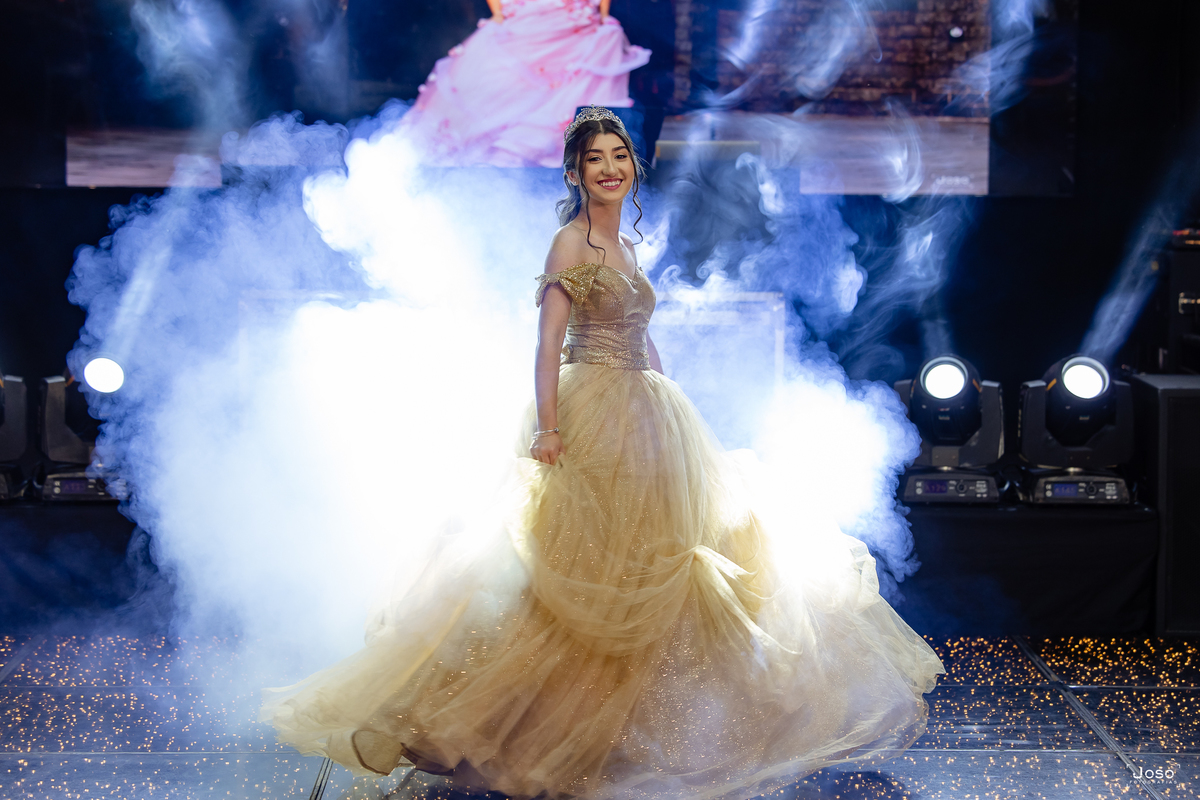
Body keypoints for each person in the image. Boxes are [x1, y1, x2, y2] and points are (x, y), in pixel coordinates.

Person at [262, 107, 945, 800]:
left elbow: (638, 332)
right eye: (596, 159)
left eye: (620, 156)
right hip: (590, 407)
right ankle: (534, 732)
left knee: (658, 559)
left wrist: (667, 397)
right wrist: (548, 428)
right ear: (575, 172)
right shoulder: (571, 243)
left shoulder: (625, 246)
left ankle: (635, 729)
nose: (611, 168)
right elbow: (547, 344)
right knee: (581, 566)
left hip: (644, 409)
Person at [395, 0, 649, 167]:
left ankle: (541, 161)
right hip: (530, 17)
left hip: (572, 20)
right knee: (498, 80)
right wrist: (499, 13)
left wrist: (602, 15)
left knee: (601, 46)